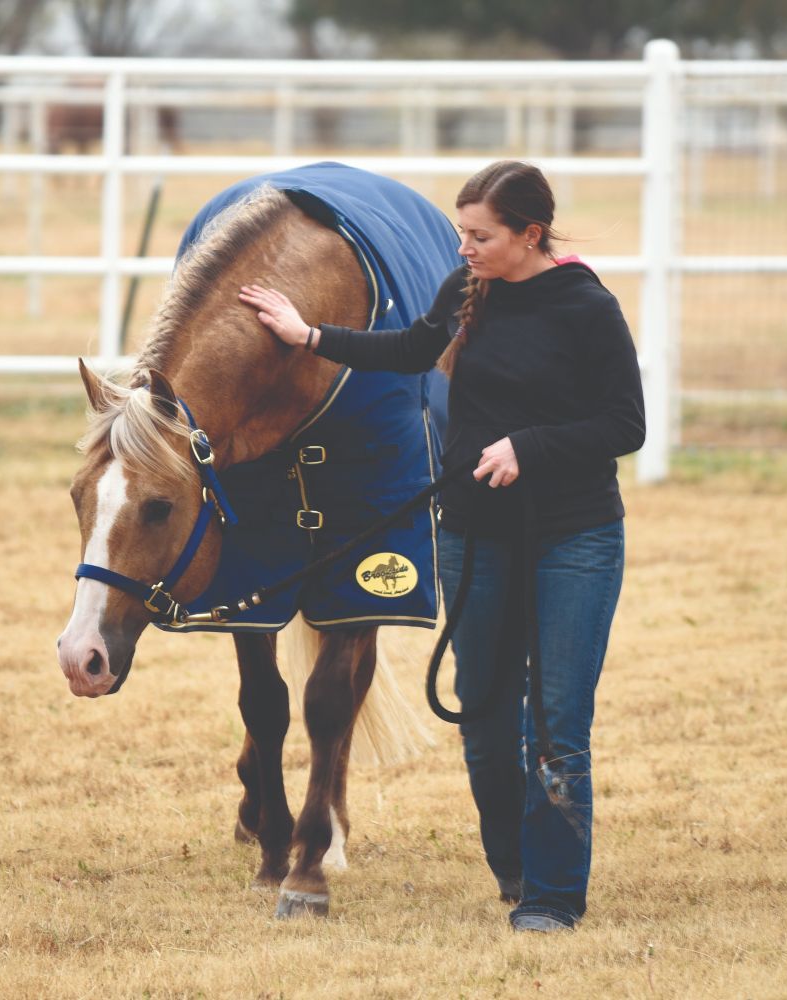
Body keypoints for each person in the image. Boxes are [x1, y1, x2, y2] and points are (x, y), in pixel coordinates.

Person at [238, 160, 644, 932]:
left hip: (574, 535)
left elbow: (625, 425)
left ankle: (552, 898)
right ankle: (516, 870)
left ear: (530, 234)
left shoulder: (586, 307)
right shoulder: (468, 292)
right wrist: (309, 335)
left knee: (557, 723)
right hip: (473, 529)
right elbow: (413, 349)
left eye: (479, 235)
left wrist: (529, 445)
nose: (462, 247)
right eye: (461, 231)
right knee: (486, 724)